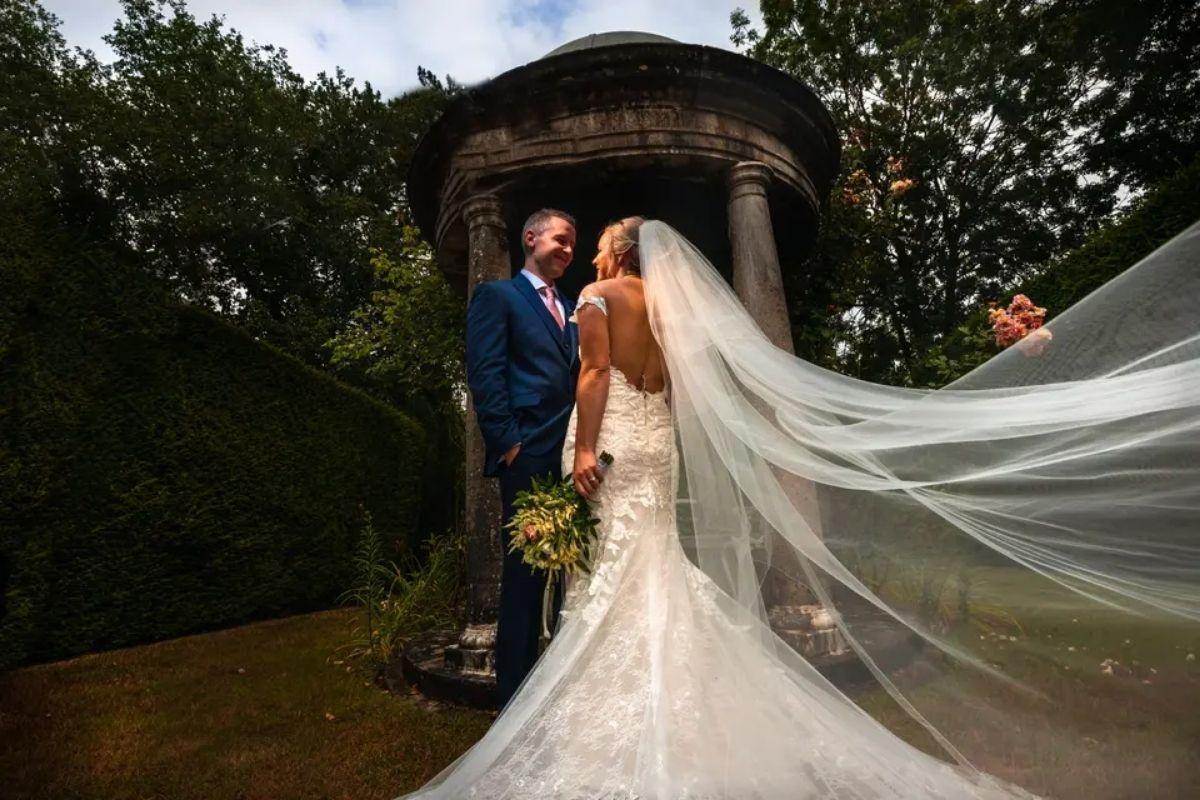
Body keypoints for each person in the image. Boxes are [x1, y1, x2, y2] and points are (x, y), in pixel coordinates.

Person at [407, 217, 1200, 799]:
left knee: (610, 577)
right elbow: (676, 391)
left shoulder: (598, 295)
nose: (586, 249)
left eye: (595, 240)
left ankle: (586, 727)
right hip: (658, 445)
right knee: (653, 567)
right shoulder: (676, 317)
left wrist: (583, 451)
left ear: (613, 253)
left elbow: (593, 377)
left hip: (610, 444)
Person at [464, 208, 579, 708]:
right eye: (561, 239)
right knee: (526, 573)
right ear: (530, 236)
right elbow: (486, 373)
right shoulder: (498, 296)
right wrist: (508, 443)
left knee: (569, 568)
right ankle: (514, 698)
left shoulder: (575, 305)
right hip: (527, 453)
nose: (568, 250)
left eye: (573, 244)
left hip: (571, 454)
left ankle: (556, 683)